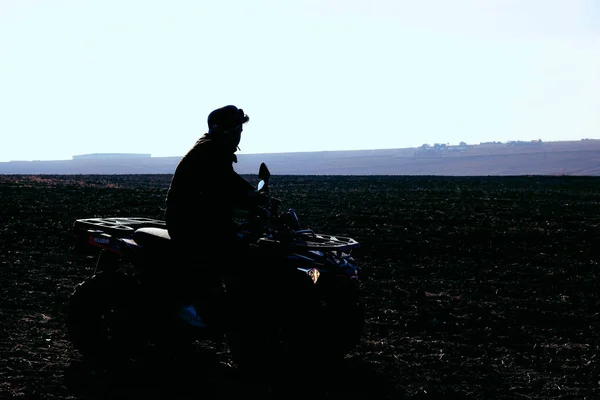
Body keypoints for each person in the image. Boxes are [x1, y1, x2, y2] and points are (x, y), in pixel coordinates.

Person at [164, 105, 266, 327]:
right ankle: (191, 310)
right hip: (190, 221)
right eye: (238, 129)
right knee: (230, 252)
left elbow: (230, 180)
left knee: (243, 243)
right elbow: (223, 185)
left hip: (205, 217)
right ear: (225, 131)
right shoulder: (208, 152)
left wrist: (256, 195)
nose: (240, 134)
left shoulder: (215, 150)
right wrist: (251, 198)